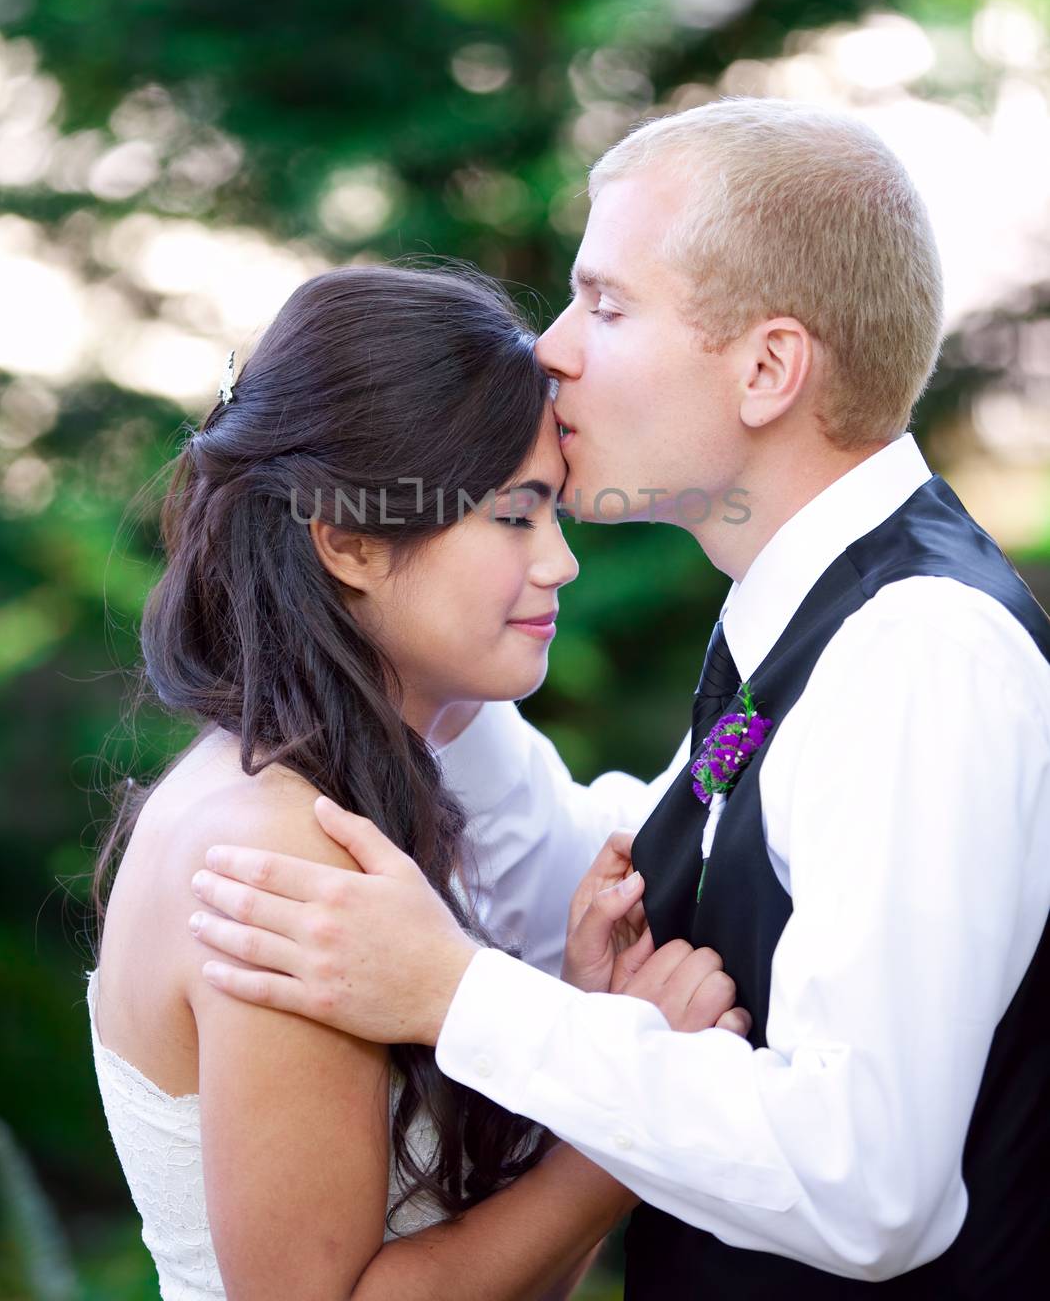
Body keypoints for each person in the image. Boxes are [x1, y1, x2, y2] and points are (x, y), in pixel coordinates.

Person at [189, 100, 1050, 1297]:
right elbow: (603, 861)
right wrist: (387, 602)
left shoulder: (916, 653)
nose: (551, 348)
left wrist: (455, 995)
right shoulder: (804, 620)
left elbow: (869, 1185)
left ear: (765, 368)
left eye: (604, 303)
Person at [87, 261, 746, 1301]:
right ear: (347, 539)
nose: (560, 563)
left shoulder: (375, 781)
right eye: (515, 516)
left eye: (555, 513)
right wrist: (636, 1113)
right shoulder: (279, 849)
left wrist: (578, 1030)